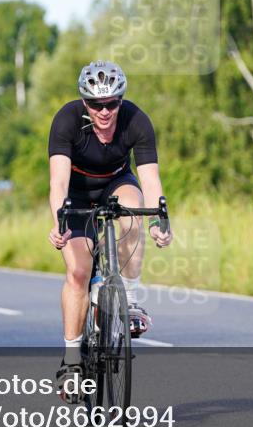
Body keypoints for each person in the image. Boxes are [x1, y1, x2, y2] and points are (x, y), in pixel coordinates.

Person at [47, 61, 173, 397]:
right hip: (76, 196)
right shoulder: (67, 120)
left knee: (132, 212)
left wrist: (160, 220)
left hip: (117, 184)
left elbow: (150, 179)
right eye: (97, 104)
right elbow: (58, 181)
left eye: (112, 103)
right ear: (85, 102)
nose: (105, 112)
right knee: (78, 272)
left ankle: (129, 299)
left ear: (121, 100)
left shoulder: (136, 120)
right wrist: (59, 220)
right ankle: (72, 362)